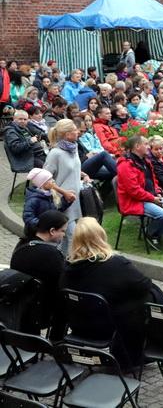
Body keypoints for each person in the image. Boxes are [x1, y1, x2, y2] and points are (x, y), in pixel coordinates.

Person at [60, 218, 163, 369]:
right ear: (101, 236)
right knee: (151, 294)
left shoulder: (67, 268)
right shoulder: (115, 264)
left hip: (80, 326)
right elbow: (145, 284)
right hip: (109, 327)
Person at [117, 135, 163, 249]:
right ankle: (150, 234)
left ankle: (158, 232)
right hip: (134, 201)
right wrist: (153, 199)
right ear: (137, 146)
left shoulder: (145, 161)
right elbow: (134, 191)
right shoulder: (125, 165)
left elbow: (152, 180)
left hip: (149, 196)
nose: (148, 147)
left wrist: (157, 191)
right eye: (146, 144)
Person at [10, 210, 68, 336]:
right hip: (41, 310)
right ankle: (56, 341)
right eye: (63, 231)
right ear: (52, 231)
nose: (64, 235)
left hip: (17, 305)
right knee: (67, 300)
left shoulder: (21, 246)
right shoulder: (52, 254)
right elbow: (62, 282)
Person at [45, 119, 89, 252]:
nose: (78, 132)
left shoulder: (73, 148)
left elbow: (71, 168)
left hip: (75, 200)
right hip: (63, 201)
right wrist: (63, 193)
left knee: (66, 238)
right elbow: (45, 180)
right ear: (67, 134)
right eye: (75, 130)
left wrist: (83, 175)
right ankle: (68, 262)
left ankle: (60, 260)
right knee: (72, 236)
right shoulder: (55, 153)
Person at [22, 167, 74, 237]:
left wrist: (67, 200)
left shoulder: (50, 195)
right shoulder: (34, 199)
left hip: (49, 232)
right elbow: (28, 218)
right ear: (42, 183)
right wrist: (43, 225)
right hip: (36, 234)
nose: (53, 181)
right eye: (50, 179)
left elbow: (58, 209)